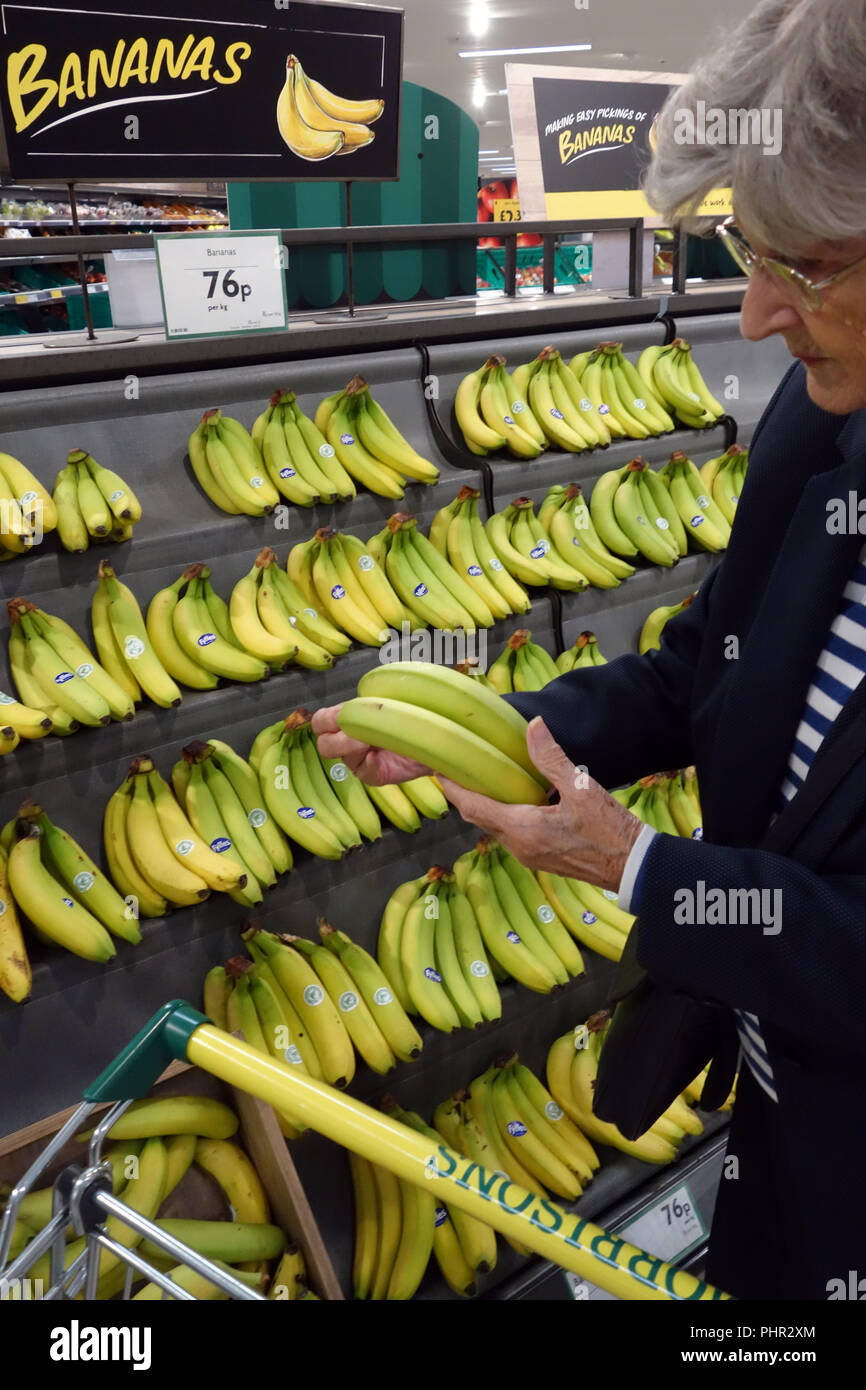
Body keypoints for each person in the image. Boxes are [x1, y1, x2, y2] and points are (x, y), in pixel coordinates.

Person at [314, 0, 866, 1300]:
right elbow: (704, 670)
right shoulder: (818, 412)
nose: (753, 316)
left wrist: (640, 871)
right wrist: (503, 730)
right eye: (749, 248)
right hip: (773, 1127)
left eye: (809, 268)